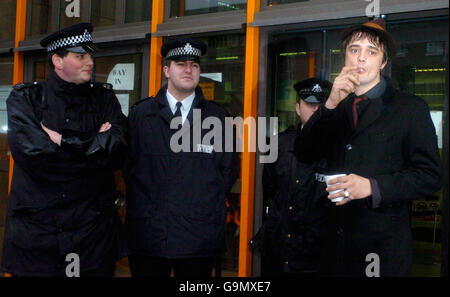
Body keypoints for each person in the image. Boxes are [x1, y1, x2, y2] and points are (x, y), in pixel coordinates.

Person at [294, 18, 442, 276]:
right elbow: (305, 154)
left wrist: (372, 187)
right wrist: (328, 104)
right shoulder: (336, 106)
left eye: (371, 52)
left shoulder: (409, 108)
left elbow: (429, 176)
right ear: (345, 58)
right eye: (355, 50)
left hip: (382, 251)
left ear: (383, 62)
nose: (361, 58)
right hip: (333, 247)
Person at [1, 23, 128, 277]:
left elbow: (119, 151)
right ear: (58, 61)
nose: (90, 62)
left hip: (93, 237)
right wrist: (94, 151)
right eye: (80, 56)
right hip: (39, 239)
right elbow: (36, 156)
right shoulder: (27, 99)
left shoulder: (104, 99)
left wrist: (61, 142)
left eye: (90, 55)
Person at [125, 38, 239, 277]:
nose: (189, 69)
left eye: (195, 65)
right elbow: (129, 169)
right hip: (150, 237)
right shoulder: (140, 115)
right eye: (181, 63)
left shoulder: (218, 118)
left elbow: (227, 173)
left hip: (198, 239)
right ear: (166, 70)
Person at [250, 78, 331, 276]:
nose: (315, 110)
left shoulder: (338, 148)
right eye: (310, 104)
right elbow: (269, 188)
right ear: (297, 108)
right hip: (279, 250)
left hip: (316, 255)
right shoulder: (280, 144)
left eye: (321, 105)